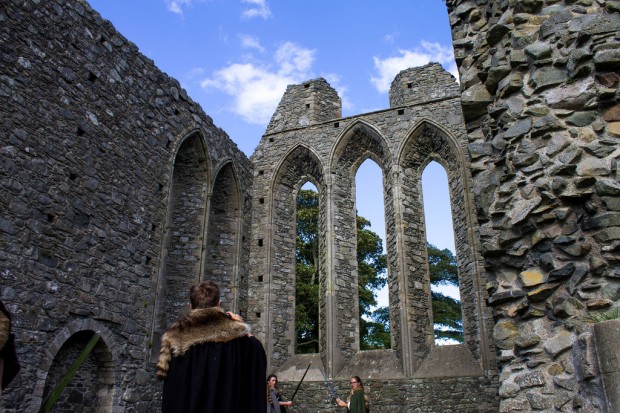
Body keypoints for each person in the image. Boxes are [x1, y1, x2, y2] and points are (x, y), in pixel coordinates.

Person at [156, 281, 266, 413]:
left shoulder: (176, 340)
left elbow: (173, 396)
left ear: (190, 306)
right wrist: (242, 327)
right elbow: (258, 358)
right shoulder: (241, 342)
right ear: (218, 304)